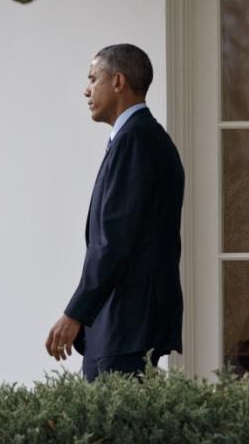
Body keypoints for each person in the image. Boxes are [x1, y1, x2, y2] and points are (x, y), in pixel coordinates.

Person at [44, 44, 185, 382]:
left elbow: (114, 241)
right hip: (124, 325)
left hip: (125, 326)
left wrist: (75, 313)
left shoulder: (135, 140)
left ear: (118, 81)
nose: (86, 89)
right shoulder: (139, 137)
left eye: (93, 78)